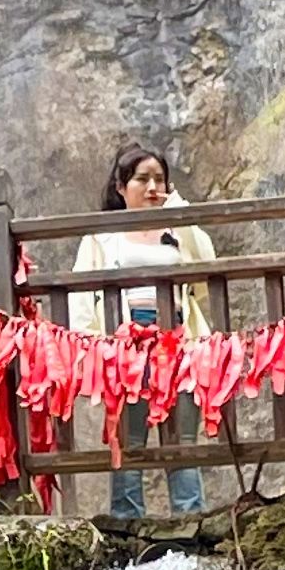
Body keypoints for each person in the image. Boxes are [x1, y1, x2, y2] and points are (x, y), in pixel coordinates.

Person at [68, 143, 219, 521]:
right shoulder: (101, 238)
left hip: (178, 343)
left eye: (160, 180)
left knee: (181, 438)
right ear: (121, 187)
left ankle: (191, 517)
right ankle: (126, 520)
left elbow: (207, 267)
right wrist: (91, 349)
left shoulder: (178, 232)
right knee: (129, 440)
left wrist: (179, 211)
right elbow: (82, 297)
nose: (153, 187)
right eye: (142, 179)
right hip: (125, 347)